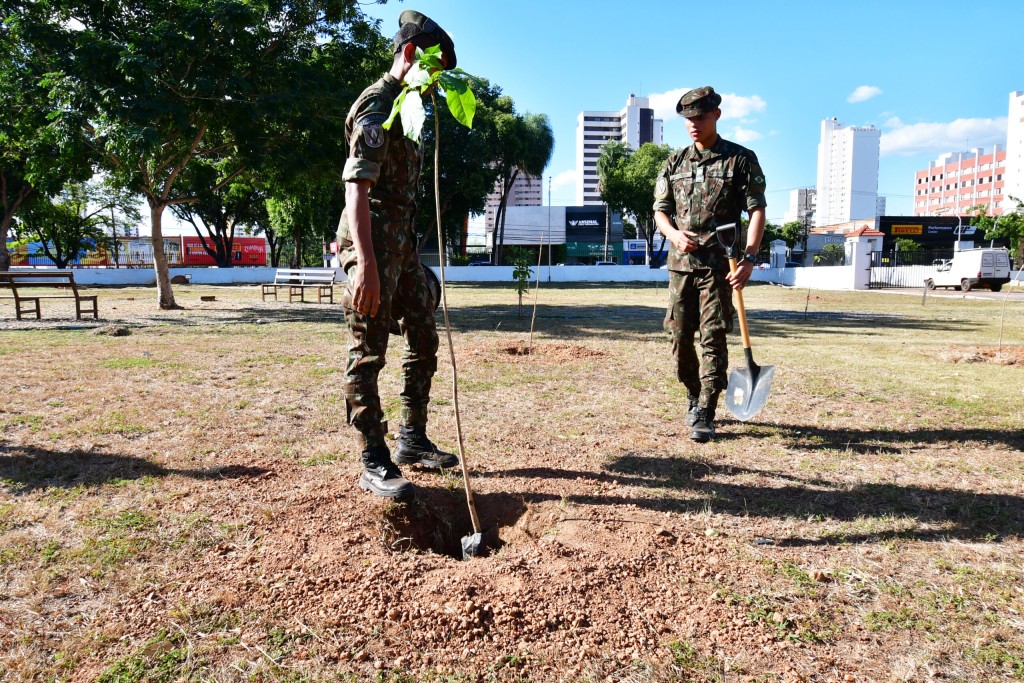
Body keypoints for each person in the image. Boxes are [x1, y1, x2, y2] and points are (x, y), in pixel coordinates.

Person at [336, 10, 459, 499]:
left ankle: (412, 437)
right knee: (368, 352)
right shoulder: (378, 104)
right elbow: (357, 190)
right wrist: (365, 265)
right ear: (410, 54)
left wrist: (411, 259)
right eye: (433, 70)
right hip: (369, 246)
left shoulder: (411, 111)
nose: (436, 84)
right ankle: (373, 457)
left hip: (402, 250)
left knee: (424, 336)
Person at [653, 86, 767, 443]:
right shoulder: (675, 162)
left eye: (700, 117)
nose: (693, 124)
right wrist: (673, 235)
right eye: (688, 119)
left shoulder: (740, 159)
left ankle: (705, 409)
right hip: (681, 265)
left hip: (721, 266)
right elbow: (660, 211)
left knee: (713, 337)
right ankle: (693, 391)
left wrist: (749, 257)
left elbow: (757, 210)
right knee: (678, 339)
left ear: (716, 115)